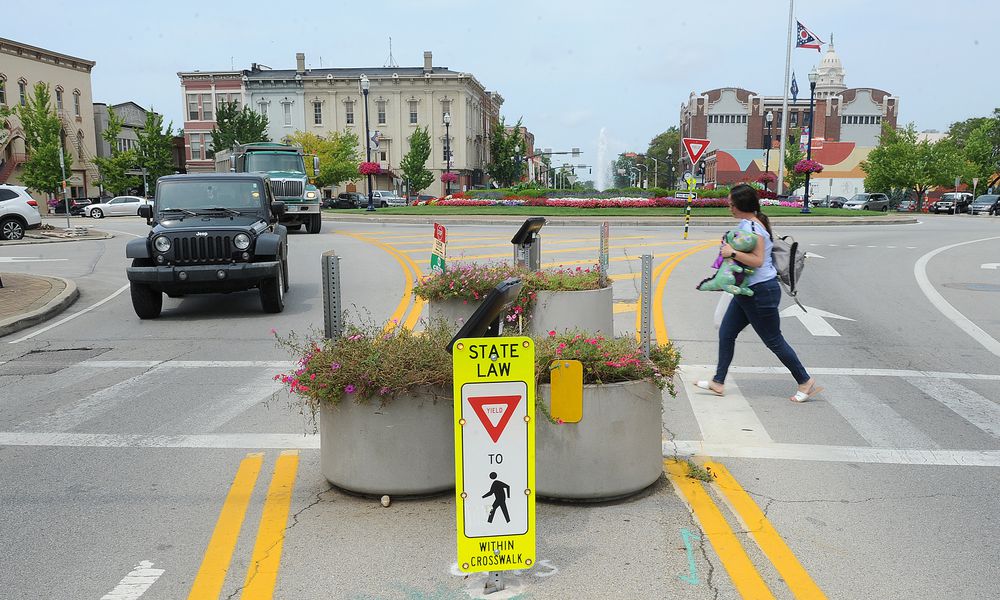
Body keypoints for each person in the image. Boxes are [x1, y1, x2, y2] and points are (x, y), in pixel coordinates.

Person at [694, 184, 822, 403]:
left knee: (773, 340)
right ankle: (718, 381)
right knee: (726, 332)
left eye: (731, 204)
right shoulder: (751, 223)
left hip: (761, 292)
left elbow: (758, 260)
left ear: (740, 205)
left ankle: (805, 381)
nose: (729, 207)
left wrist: (731, 252)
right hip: (748, 291)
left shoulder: (754, 228)